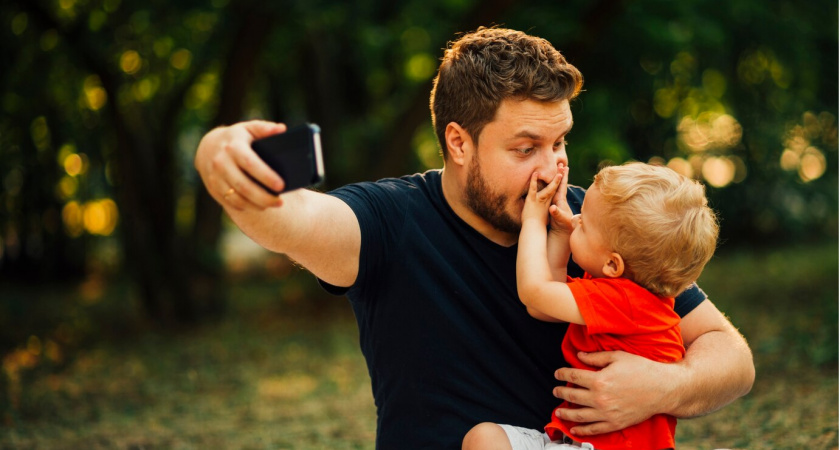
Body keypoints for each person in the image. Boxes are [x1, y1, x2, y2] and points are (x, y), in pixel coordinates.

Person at [193, 27, 754, 449]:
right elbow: (292, 221)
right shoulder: (391, 221)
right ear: (459, 143)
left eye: (560, 143)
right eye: (525, 147)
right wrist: (218, 155)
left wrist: (663, 387)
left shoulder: (594, 224)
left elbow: (732, 358)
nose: (552, 169)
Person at [462, 162, 720, 450]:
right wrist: (561, 235)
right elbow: (545, 307)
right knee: (484, 438)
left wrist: (533, 221)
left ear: (612, 264)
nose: (576, 219)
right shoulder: (631, 294)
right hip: (573, 441)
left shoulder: (623, 301)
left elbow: (535, 293)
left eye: (583, 223)